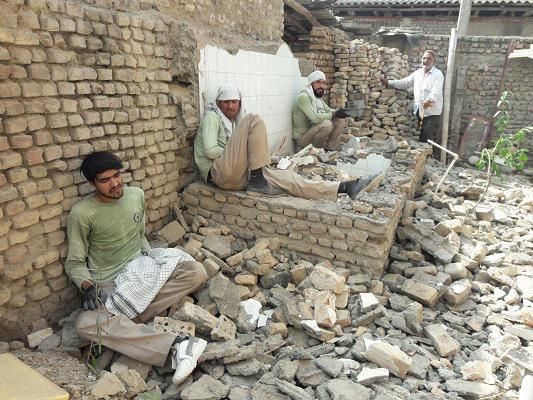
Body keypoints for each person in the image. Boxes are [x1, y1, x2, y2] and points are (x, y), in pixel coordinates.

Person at [65, 151, 208, 386]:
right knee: (85, 325)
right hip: (110, 281)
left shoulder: (136, 195)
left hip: (141, 265)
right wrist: (88, 287)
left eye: (117, 175)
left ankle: (128, 320)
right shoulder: (82, 214)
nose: (115, 183)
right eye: (105, 180)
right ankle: (177, 347)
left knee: (196, 272)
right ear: (92, 184)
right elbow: (75, 263)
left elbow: (140, 235)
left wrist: (153, 258)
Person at [194, 84, 384, 201]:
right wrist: (241, 153)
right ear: (218, 104)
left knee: (290, 179)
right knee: (253, 119)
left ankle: (343, 188)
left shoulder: (232, 123)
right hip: (219, 173)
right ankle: (258, 181)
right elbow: (211, 151)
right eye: (225, 102)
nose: (230, 106)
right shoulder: (213, 117)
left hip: (235, 178)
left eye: (234, 102)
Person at [381, 50, 444, 150]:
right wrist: (389, 82)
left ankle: (425, 159)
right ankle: (420, 155)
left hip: (431, 112)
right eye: (424, 58)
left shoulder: (438, 75)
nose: (426, 60)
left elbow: (436, 91)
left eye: (429, 59)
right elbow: (404, 83)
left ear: (434, 61)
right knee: (421, 133)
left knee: (426, 135)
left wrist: (429, 100)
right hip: (419, 109)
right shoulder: (418, 73)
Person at [292, 70, 350, 151]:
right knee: (326, 124)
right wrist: (335, 113)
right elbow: (315, 118)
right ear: (311, 84)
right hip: (302, 139)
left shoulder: (317, 98)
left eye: (323, 83)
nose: (321, 86)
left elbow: (328, 110)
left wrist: (341, 112)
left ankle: (330, 149)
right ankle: (317, 152)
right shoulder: (304, 97)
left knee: (341, 119)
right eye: (318, 82)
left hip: (311, 133)